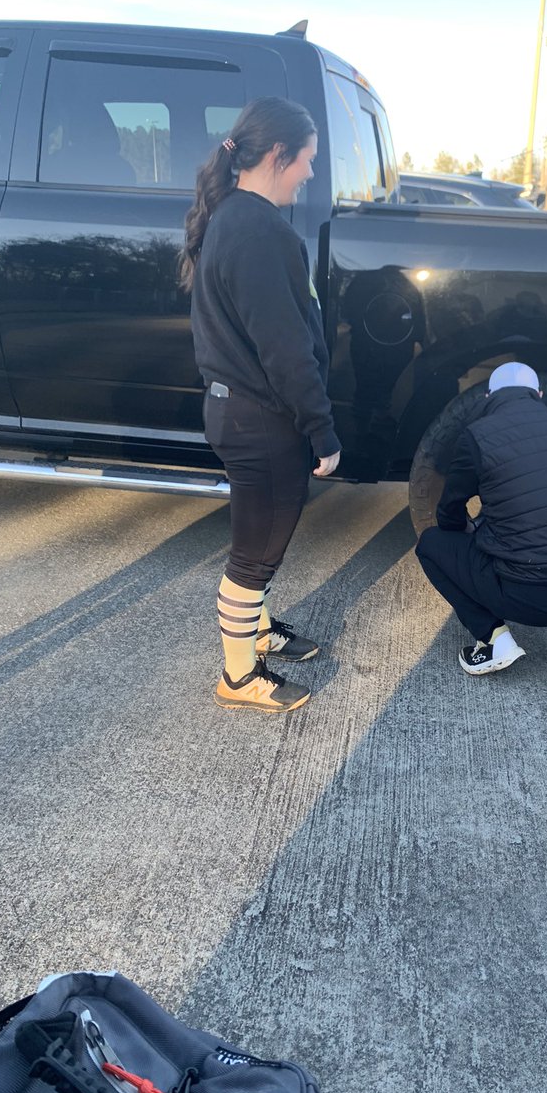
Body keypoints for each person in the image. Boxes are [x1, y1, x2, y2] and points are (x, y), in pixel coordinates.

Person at [180, 98, 341, 713]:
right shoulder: (259, 230)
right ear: (277, 155)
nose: (308, 173)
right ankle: (240, 677)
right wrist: (322, 432)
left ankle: (260, 630)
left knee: (260, 535)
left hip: (239, 411)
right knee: (256, 551)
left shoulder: (232, 217)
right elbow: (285, 349)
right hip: (261, 420)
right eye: (306, 160)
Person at [415, 362, 547, 675]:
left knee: (430, 544)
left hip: (528, 599)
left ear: (488, 396)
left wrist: (467, 533)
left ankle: (495, 641)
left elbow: (449, 510)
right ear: (538, 394)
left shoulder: (477, 436)